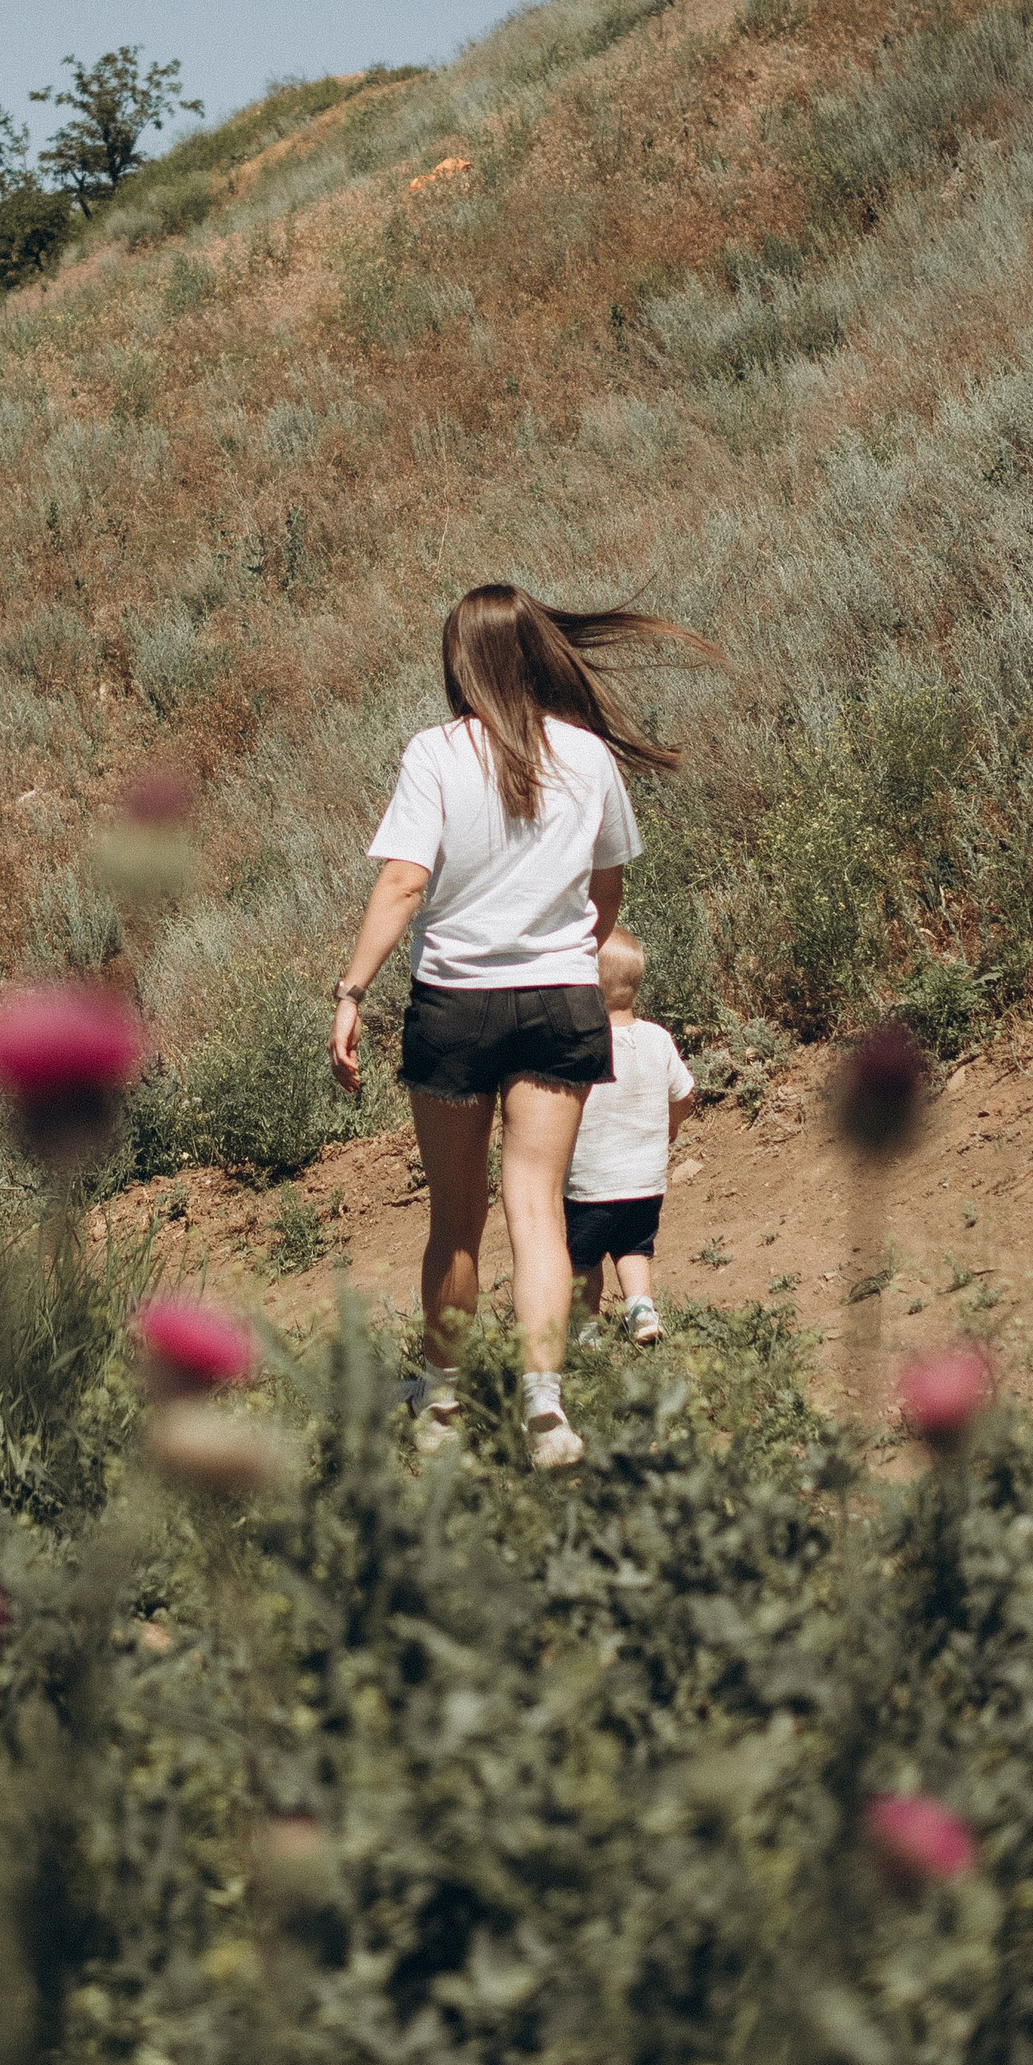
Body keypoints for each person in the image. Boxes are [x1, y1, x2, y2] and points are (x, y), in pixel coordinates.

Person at [328, 584, 711, 1469]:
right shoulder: (585, 754)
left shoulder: (434, 752)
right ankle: (546, 1410)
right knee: (536, 1206)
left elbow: (401, 883)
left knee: (455, 1219)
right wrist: (565, 944)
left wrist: (352, 989)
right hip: (560, 1003)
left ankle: (444, 1404)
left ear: (460, 662)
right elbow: (607, 889)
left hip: (455, 1006)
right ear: (535, 655)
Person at [563, 927, 696, 1344]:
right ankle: (641, 1310)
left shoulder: (580, 1045)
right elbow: (684, 1093)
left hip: (589, 1183)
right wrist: (672, 1125)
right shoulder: (657, 1039)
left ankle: (585, 1330)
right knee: (634, 1249)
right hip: (645, 1180)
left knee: (583, 1259)